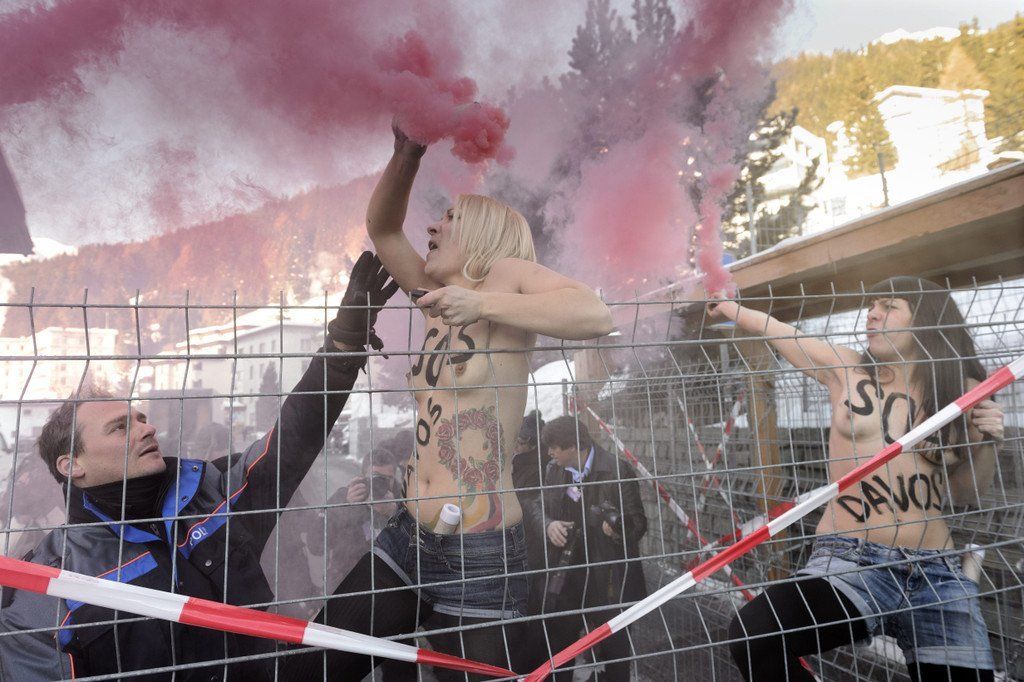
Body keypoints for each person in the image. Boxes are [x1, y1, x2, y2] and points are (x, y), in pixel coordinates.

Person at [287, 124, 614, 680]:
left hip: (479, 549)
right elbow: (383, 228)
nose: (432, 226)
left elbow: (594, 314)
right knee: (317, 665)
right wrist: (407, 151)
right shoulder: (435, 300)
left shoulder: (504, 279)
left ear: (483, 235)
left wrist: (481, 302)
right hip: (408, 534)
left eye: (449, 218)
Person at [0, 252, 399, 681]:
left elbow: (290, 443)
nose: (147, 429)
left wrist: (341, 348)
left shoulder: (210, 496)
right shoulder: (50, 584)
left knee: (405, 557)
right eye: (120, 427)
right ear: (72, 464)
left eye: (140, 418)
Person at [712, 277, 1004, 682]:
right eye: (871, 306)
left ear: (926, 319)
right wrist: (729, 307)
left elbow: (966, 492)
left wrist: (988, 443)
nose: (872, 314)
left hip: (935, 572)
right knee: (756, 633)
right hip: (850, 562)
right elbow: (778, 330)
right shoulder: (846, 369)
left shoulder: (963, 390)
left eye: (889, 306)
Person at [536, 416, 647, 680]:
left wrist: (618, 530)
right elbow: (539, 506)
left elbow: (639, 522)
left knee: (615, 648)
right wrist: (549, 525)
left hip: (607, 576)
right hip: (568, 572)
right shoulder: (554, 470)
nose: (549, 453)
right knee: (561, 646)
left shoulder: (617, 470)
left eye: (554, 447)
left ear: (573, 446)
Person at [511, 410, 550, 615]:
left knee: (532, 584)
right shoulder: (520, 462)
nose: (515, 447)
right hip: (523, 532)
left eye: (519, 443)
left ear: (532, 444)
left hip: (532, 535)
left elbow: (529, 504)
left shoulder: (539, 468)